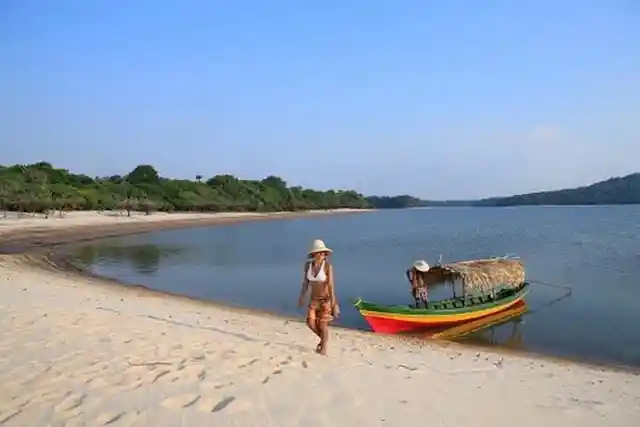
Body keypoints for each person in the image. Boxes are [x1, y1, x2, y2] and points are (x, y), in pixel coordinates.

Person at [297, 239, 339, 355]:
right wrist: (301, 297)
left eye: (324, 253)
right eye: (320, 252)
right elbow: (305, 283)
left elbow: (331, 286)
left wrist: (334, 304)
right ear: (314, 254)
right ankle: (323, 340)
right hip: (314, 300)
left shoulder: (328, 267)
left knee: (322, 324)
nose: (322, 255)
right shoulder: (308, 266)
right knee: (310, 323)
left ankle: (324, 347)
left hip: (326, 300)